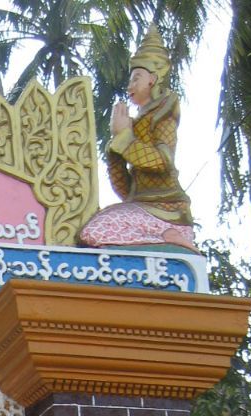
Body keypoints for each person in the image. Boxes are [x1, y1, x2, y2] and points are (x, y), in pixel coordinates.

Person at [79, 24, 197, 251]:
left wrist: (125, 139)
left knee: (95, 231)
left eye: (136, 78)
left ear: (152, 79)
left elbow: (163, 162)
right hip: (142, 206)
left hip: (167, 209)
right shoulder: (136, 123)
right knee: (93, 230)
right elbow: (126, 191)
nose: (130, 86)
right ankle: (161, 233)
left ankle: (168, 232)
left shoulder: (163, 115)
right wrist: (114, 150)